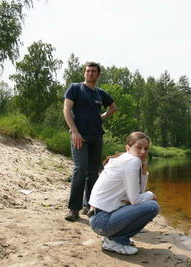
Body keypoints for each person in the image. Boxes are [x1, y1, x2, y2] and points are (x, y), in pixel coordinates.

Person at [88, 132, 159, 255]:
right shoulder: (132, 162)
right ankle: (116, 240)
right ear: (128, 148)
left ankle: (113, 238)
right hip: (102, 221)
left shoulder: (124, 160)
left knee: (144, 203)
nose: (143, 152)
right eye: (139, 147)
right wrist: (151, 194)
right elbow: (136, 200)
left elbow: (138, 194)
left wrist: (144, 170)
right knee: (152, 206)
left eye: (146, 149)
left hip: (97, 219)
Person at [63, 61, 117, 221]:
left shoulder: (101, 94)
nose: (90, 73)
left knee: (93, 172)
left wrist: (103, 117)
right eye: (88, 71)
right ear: (84, 73)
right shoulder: (75, 88)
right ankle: (74, 209)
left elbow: (113, 107)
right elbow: (66, 109)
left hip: (96, 136)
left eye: (93, 71)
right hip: (79, 136)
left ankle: (89, 205)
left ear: (98, 74)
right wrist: (74, 132)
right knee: (80, 169)